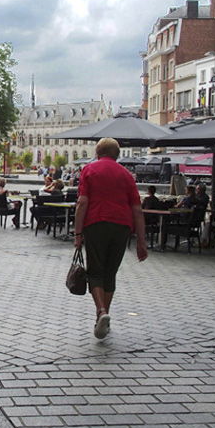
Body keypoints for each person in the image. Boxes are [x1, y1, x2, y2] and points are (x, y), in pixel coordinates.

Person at [73, 138, 147, 340]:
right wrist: (141, 242)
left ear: (97, 153)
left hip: (95, 224)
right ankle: (103, 318)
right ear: (117, 155)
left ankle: (101, 312)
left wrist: (78, 233)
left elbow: (82, 203)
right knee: (110, 271)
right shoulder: (127, 175)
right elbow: (137, 210)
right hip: (122, 227)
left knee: (95, 270)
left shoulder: (89, 170)